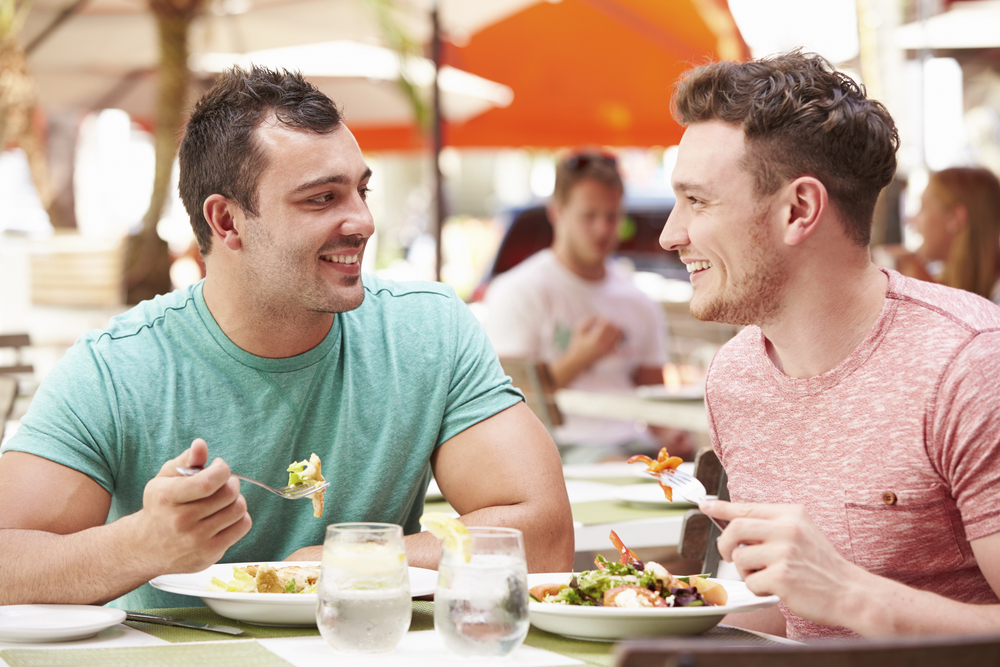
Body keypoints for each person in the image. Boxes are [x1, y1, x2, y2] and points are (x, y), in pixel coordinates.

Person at [0, 66, 574, 610]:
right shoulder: (117, 368)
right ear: (226, 222)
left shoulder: (428, 332)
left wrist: (342, 563)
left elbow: (543, 540)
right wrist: (142, 545)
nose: (363, 222)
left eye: (361, 191)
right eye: (322, 198)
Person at [660, 50, 1000, 640]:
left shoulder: (970, 366)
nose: (670, 233)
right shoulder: (735, 375)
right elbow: (803, 619)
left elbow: (836, 601)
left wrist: (851, 595)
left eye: (697, 200)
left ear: (799, 209)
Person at [483, 151, 691, 461]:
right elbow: (507, 402)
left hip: (633, 443)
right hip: (557, 448)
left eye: (612, 216)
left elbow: (653, 397)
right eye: (589, 216)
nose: (603, 229)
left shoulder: (637, 299)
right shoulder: (518, 290)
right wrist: (580, 355)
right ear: (558, 213)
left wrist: (671, 433)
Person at [885, 167, 1000, 305]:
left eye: (923, 207)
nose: (910, 219)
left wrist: (926, 291)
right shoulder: (946, 278)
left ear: (955, 217)